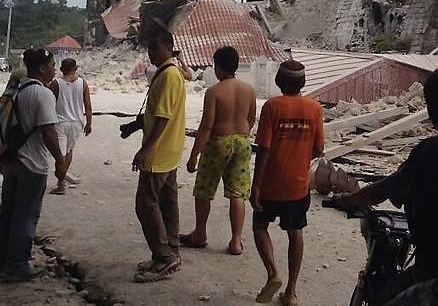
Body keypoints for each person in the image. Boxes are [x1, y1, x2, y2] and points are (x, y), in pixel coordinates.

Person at [332, 67, 438, 305]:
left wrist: (346, 199)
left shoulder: (430, 152)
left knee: (384, 295)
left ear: (432, 112)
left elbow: (384, 189)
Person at [251, 60, 324, 306]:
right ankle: (291, 293)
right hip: (298, 185)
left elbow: (264, 148)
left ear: (279, 82)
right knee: (296, 233)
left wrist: (256, 185)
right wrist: (299, 157)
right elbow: (319, 148)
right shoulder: (314, 108)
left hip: (271, 183)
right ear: (302, 82)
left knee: (260, 227)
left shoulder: (272, 107)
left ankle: (273, 273)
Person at [0, 48, 67, 283]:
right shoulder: (42, 94)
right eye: (52, 65)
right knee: (26, 215)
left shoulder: (15, 89)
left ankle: (2, 261)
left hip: (10, 160)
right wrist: (60, 160)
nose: (55, 69)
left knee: (8, 212)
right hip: (32, 163)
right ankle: (18, 265)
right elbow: (48, 131)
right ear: (43, 68)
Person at [182, 46, 256, 255]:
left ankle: (200, 233)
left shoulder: (213, 92)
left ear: (218, 67)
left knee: (204, 189)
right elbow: (250, 119)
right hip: (242, 141)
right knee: (237, 193)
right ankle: (236, 240)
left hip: (218, 142)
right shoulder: (249, 90)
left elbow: (206, 126)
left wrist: (194, 154)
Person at [132, 31, 187, 283]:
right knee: (167, 202)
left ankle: (164, 256)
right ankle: (171, 250)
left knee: (145, 205)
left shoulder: (168, 76)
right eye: (148, 49)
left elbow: (163, 117)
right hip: (171, 150)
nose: (150, 53)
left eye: (154, 48)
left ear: (168, 48)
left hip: (160, 152)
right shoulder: (169, 74)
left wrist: (145, 149)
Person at [47, 58, 93, 195]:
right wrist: (89, 123)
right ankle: (61, 179)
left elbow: (48, 102)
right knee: (68, 151)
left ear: (61, 69)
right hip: (77, 122)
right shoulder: (83, 83)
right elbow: (88, 105)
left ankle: (60, 182)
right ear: (76, 68)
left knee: (59, 155)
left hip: (60, 122)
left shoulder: (56, 83)